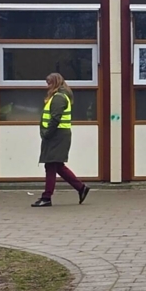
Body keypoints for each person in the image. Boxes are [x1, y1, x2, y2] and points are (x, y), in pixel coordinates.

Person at [32, 73, 89, 207]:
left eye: (50, 83)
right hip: (59, 135)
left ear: (55, 83)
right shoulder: (62, 96)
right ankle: (81, 188)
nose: (48, 86)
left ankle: (46, 197)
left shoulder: (58, 98)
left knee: (51, 165)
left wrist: (46, 133)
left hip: (56, 135)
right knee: (57, 166)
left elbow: (55, 118)